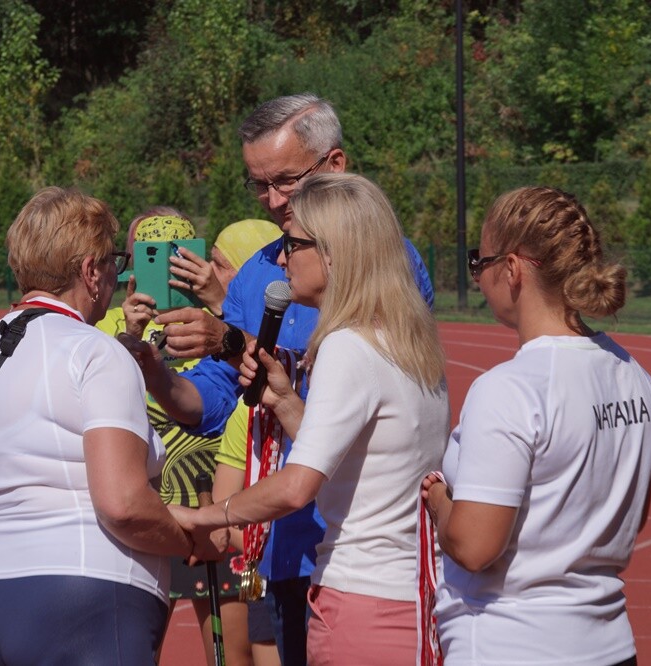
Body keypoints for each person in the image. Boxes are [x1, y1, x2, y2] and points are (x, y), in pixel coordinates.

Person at [121, 93, 435, 665]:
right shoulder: (261, 270)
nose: (270, 201)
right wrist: (158, 373)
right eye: (258, 185)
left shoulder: (384, 264)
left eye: (284, 182)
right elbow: (219, 399)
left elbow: (360, 387)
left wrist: (231, 340)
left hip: (364, 546)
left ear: (334, 165)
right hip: (286, 541)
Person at [0, 187, 221, 665]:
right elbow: (123, 503)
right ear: (90, 270)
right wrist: (187, 539)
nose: (119, 274)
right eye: (115, 261)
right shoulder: (95, 350)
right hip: (88, 597)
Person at [172, 172, 450, 665]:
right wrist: (284, 403)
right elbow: (363, 458)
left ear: (334, 253)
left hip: (358, 599)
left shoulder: (347, 345)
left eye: (294, 244)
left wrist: (206, 516)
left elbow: (297, 485)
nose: (280, 258)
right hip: (412, 594)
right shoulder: (407, 340)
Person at [421, 186, 651, 665]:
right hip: (610, 645)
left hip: (510, 644)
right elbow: (626, 518)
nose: (477, 277)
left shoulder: (511, 389)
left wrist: (438, 500)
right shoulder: (636, 377)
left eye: (480, 263)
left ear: (511, 269)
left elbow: (473, 547)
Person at [106, 216, 283, 666]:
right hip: (152, 515)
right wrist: (130, 334)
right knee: (132, 648)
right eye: (144, 255)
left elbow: (236, 386)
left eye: (177, 252)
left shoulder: (219, 321)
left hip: (226, 517)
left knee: (240, 647)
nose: (161, 269)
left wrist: (222, 310)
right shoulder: (109, 325)